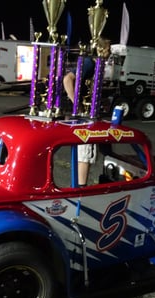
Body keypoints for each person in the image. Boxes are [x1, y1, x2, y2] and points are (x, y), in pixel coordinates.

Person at [62, 37, 111, 186]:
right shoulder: (89, 63)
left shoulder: (96, 64)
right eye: (108, 49)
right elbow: (67, 80)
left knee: (102, 146)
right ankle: (81, 188)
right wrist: (76, 103)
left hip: (91, 112)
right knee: (86, 150)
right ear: (101, 49)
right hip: (83, 114)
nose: (109, 53)